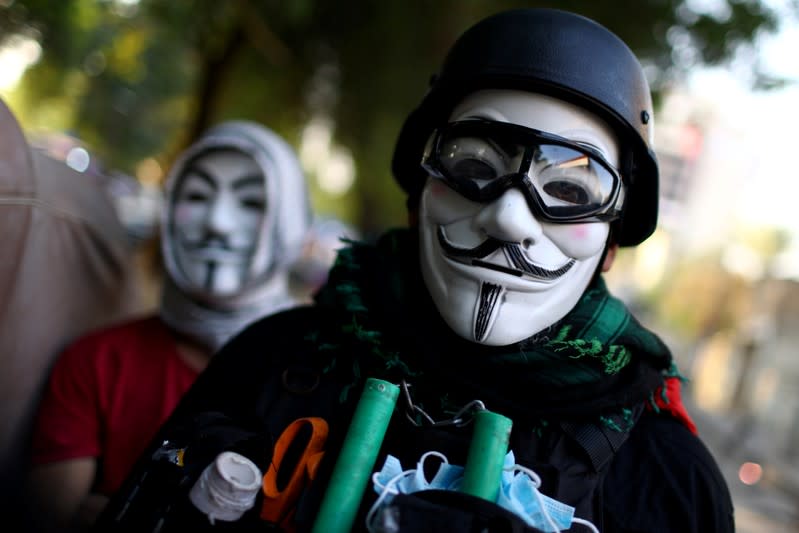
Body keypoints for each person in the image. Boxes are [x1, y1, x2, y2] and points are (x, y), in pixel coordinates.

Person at [96, 9, 734, 533]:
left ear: (614, 234)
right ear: (420, 187)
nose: (510, 218)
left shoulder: (664, 476)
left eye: (570, 190)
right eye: (473, 166)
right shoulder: (272, 360)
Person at [27, 120, 312, 531]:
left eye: (251, 203)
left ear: (292, 222)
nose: (218, 222)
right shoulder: (97, 363)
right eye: (197, 195)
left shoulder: (322, 380)